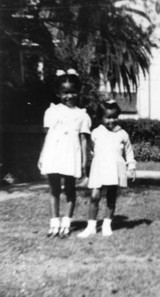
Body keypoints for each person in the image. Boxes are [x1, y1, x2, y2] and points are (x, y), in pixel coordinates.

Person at [38, 69, 91, 238]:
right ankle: (54, 223)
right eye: (65, 92)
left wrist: (83, 162)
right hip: (53, 152)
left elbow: (83, 140)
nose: (69, 96)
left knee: (70, 189)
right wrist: (41, 155)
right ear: (58, 93)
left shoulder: (82, 115)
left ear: (78, 92)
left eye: (73, 92)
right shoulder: (52, 111)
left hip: (71, 155)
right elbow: (48, 136)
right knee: (53, 188)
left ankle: (66, 224)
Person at [78, 100, 136, 238]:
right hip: (99, 168)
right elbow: (90, 149)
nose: (112, 120)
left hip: (115, 168)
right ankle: (91, 226)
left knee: (111, 197)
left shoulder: (122, 134)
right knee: (94, 196)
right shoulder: (96, 132)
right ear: (100, 118)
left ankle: (106, 225)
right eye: (108, 117)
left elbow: (129, 152)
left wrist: (132, 166)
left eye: (115, 117)